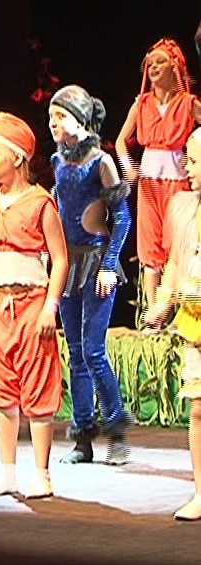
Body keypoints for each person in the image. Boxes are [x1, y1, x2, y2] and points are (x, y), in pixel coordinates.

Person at [0, 111, 67, 498]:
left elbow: (60, 258)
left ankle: (41, 474)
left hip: (30, 304)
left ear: (18, 157)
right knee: (1, 389)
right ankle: (7, 472)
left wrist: (50, 307)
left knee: (37, 387)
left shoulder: (40, 203)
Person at [49, 85, 132, 464]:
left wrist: (110, 264)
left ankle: (117, 434)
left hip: (96, 263)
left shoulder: (101, 162)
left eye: (61, 116)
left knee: (94, 351)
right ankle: (82, 438)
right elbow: (59, 210)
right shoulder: (57, 161)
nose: (53, 123)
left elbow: (123, 217)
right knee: (76, 353)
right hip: (68, 264)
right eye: (51, 117)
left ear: (81, 120)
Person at [115, 38, 201, 325]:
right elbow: (121, 141)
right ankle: (153, 317)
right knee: (150, 246)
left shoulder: (188, 104)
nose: (152, 68)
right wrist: (129, 167)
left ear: (175, 66)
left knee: (179, 245)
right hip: (149, 186)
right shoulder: (141, 105)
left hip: (179, 184)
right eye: (149, 63)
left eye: (159, 62)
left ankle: (179, 315)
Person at [144, 127, 201, 520]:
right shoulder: (184, 210)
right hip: (196, 324)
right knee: (198, 409)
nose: (187, 167)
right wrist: (162, 304)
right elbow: (175, 265)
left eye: (194, 160)